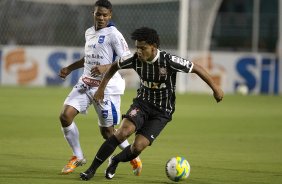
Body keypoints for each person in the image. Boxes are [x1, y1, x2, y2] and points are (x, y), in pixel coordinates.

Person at [79, 27, 224, 181]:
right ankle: (91, 170)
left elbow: (197, 68)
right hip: (142, 104)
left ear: (153, 47)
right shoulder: (134, 60)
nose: (139, 51)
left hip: (162, 111)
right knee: (122, 132)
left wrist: (215, 88)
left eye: (143, 48)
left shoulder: (169, 61)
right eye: (137, 47)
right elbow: (115, 66)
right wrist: (101, 88)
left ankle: (115, 161)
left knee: (138, 147)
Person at [58, 0, 142, 176]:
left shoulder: (114, 34)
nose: (101, 17)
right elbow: (87, 58)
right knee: (65, 116)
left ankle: (132, 155)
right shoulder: (89, 32)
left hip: (107, 88)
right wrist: (69, 68)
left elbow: (129, 59)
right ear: (93, 14)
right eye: (98, 14)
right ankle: (77, 156)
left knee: (108, 133)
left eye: (105, 15)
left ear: (110, 15)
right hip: (86, 83)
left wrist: (106, 68)